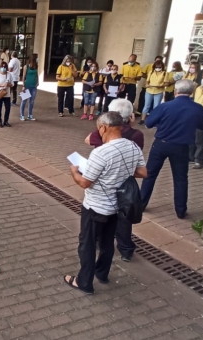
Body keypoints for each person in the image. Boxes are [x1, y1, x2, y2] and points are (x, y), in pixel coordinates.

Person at [63, 112, 147, 295]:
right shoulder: (133, 146)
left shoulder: (100, 152)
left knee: (87, 244)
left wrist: (73, 171)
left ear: (103, 128)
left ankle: (84, 282)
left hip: (95, 207)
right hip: (117, 207)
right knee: (108, 242)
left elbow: (85, 182)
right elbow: (143, 172)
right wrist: (120, 172)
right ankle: (102, 273)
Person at [85, 99, 145, 262]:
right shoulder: (136, 135)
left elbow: (88, 140)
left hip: (103, 182)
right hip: (125, 184)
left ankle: (98, 241)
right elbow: (141, 167)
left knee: (101, 215)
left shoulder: (103, 132)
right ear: (130, 116)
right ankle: (126, 249)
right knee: (123, 217)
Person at [140, 80, 203, 219]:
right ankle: (181, 210)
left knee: (150, 175)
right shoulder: (198, 108)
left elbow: (148, 123)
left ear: (175, 91)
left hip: (161, 144)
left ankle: (141, 204)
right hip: (182, 147)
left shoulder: (165, 106)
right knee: (181, 178)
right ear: (192, 92)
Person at [138, 59, 167, 126]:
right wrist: (147, 85)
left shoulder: (165, 73)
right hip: (149, 90)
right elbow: (147, 81)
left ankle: (154, 121)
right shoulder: (151, 72)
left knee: (156, 107)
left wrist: (159, 86)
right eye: (156, 67)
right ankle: (142, 120)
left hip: (158, 91)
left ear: (162, 67)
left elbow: (166, 83)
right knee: (146, 106)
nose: (158, 68)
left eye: (159, 67)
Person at [0, 61, 13, 128]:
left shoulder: (9, 74)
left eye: (4, 67)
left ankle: (6, 121)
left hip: (7, 94)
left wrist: (8, 84)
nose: (3, 68)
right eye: (2, 67)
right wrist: (2, 84)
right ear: (0, 67)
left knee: (8, 108)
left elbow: (12, 84)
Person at [19, 53, 39, 121]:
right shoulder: (26, 66)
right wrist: (23, 86)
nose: (37, 59)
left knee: (32, 101)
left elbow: (37, 75)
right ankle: (22, 115)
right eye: (36, 58)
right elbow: (23, 77)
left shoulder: (36, 66)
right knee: (24, 101)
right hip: (27, 86)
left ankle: (30, 115)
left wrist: (37, 81)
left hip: (34, 86)